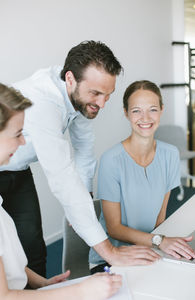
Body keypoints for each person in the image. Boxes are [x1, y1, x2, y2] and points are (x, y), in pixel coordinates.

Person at [0, 41, 159, 276]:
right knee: (8, 253)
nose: (102, 104)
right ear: (71, 79)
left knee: (32, 247)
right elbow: (62, 177)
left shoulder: (78, 96)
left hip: (19, 170)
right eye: (95, 93)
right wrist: (109, 252)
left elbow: (84, 149)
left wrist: (85, 195)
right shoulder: (42, 102)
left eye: (108, 95)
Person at [0, 82, 122, 300]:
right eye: (18, 133)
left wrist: (44, 284)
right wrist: (80, 291)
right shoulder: (47, 103)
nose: (24, 141)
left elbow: (8, 261)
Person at [89, 80, 195, 273]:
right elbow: (114, 228)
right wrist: (159, 241)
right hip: (114, 258)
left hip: (152, 249)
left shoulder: (170, 154)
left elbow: (160, 217)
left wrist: (161, 247)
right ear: (126, 113)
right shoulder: (111, 160)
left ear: (162, 111)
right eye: (136, 110)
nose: (145, 117)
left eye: (153, 109)